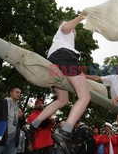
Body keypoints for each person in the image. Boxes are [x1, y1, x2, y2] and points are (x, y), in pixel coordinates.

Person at [23, 11, 90, 154]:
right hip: (64, 57)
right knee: (85, 97)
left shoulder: (60, 41)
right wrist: (81, 17)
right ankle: (65, 132)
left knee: (62, 100)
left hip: (53, 62)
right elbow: (66, 27)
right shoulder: (66, 29)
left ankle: (32, 127)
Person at [0, 87, 21, 154]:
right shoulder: (2, 103)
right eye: (17, 92)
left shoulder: (18, 107)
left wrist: (21, 117)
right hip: (1, 136)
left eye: (20, 93)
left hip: (13, 139)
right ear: (11, 93)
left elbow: (20, 124)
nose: (19, 94)